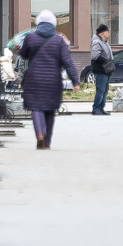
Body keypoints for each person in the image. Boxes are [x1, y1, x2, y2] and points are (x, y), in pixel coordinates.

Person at [19, 9, 79, 149]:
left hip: (34, 79)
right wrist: (75, 81)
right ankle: (47, 142)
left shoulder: (30, 37)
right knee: (50, 109)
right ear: (54, 24)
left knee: (36, 108)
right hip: (53, 80)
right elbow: (67, 62)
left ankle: (40, 134)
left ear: (38, 23)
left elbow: (23, 54)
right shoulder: (59, 40)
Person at [90, 23, 114, 116]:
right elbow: (95, 56)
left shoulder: (105, 42)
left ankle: (101, 108)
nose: (109, 33)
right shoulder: (97, 42)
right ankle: (96, 109)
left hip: (106, 70)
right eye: (108, 32)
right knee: (100, 90)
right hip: (100, 70)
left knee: (104, 90)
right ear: (103, 33)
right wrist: (106, 61)